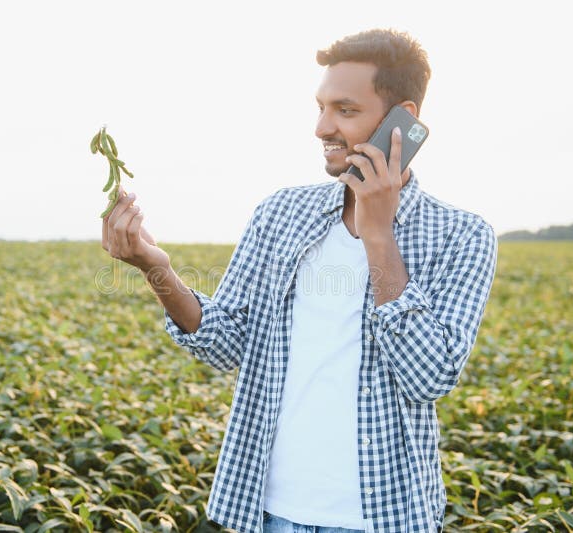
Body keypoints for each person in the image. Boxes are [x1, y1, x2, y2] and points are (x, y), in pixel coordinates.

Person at [101, 28, 497, 533]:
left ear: (403, 122)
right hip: (269, 514)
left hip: (383, 518)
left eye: (345, 111)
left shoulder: (461, 236)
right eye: (321, 106)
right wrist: (155, 267)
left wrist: (378, 232)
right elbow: (229, 343)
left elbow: (429, 377)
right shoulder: (281, 213)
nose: (321, 127)